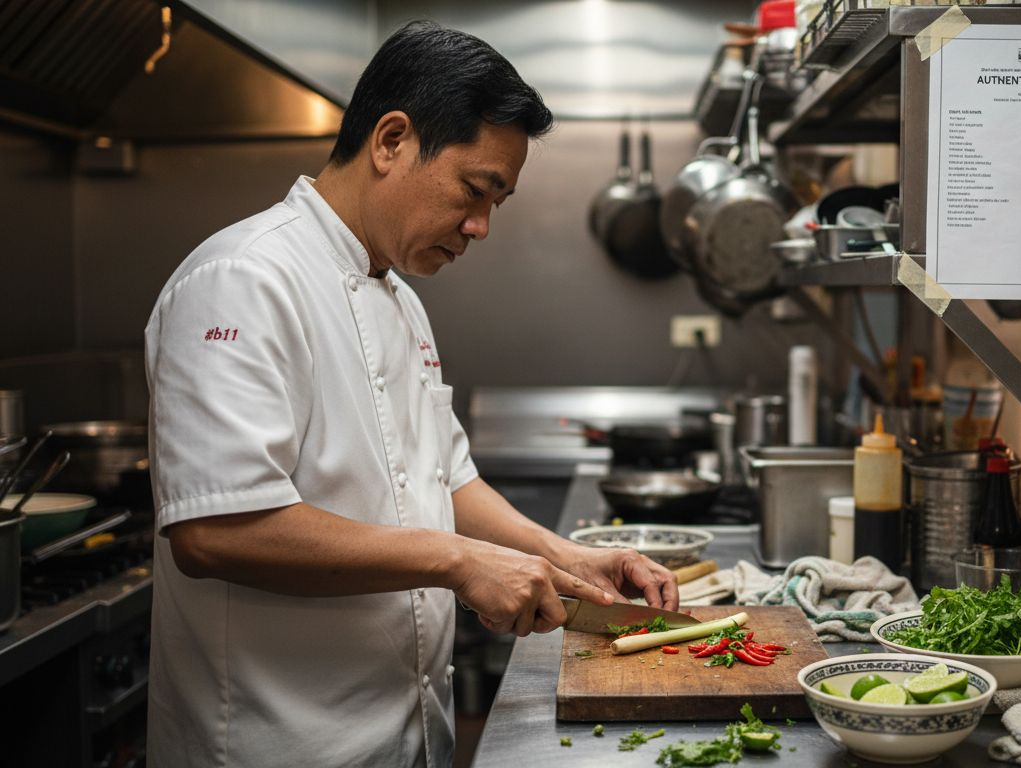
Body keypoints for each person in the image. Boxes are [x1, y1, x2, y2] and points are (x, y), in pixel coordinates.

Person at [143, 22, 678, 767]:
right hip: (281, 743)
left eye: (498, 202)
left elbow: (444, 479)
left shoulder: (400, 299)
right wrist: (457, 561)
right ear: (391, 141)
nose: (481, 227)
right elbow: (214, 531)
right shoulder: (242, 279)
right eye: (475, 190)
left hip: (405, 735)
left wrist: (568, 559)